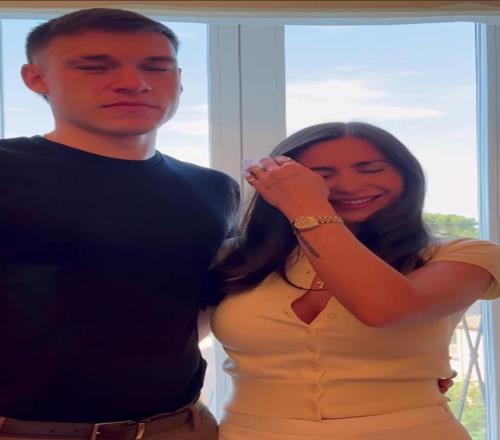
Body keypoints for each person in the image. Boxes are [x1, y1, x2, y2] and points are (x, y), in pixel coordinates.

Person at [0, 8, 238, 440]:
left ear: (179, 79)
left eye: (157, 67)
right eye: (95, 67)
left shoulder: (212, 189)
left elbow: (196, 306)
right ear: (36, 79)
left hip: (178, 427)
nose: (133, 82)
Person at [205, 122, 500, 439]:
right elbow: (175, 341)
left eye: (371, 169)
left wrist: (307, 208)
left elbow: (385, 309)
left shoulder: (464, 255)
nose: (348, 185)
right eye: (320, 175)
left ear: (407, 175)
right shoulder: (235, 257)